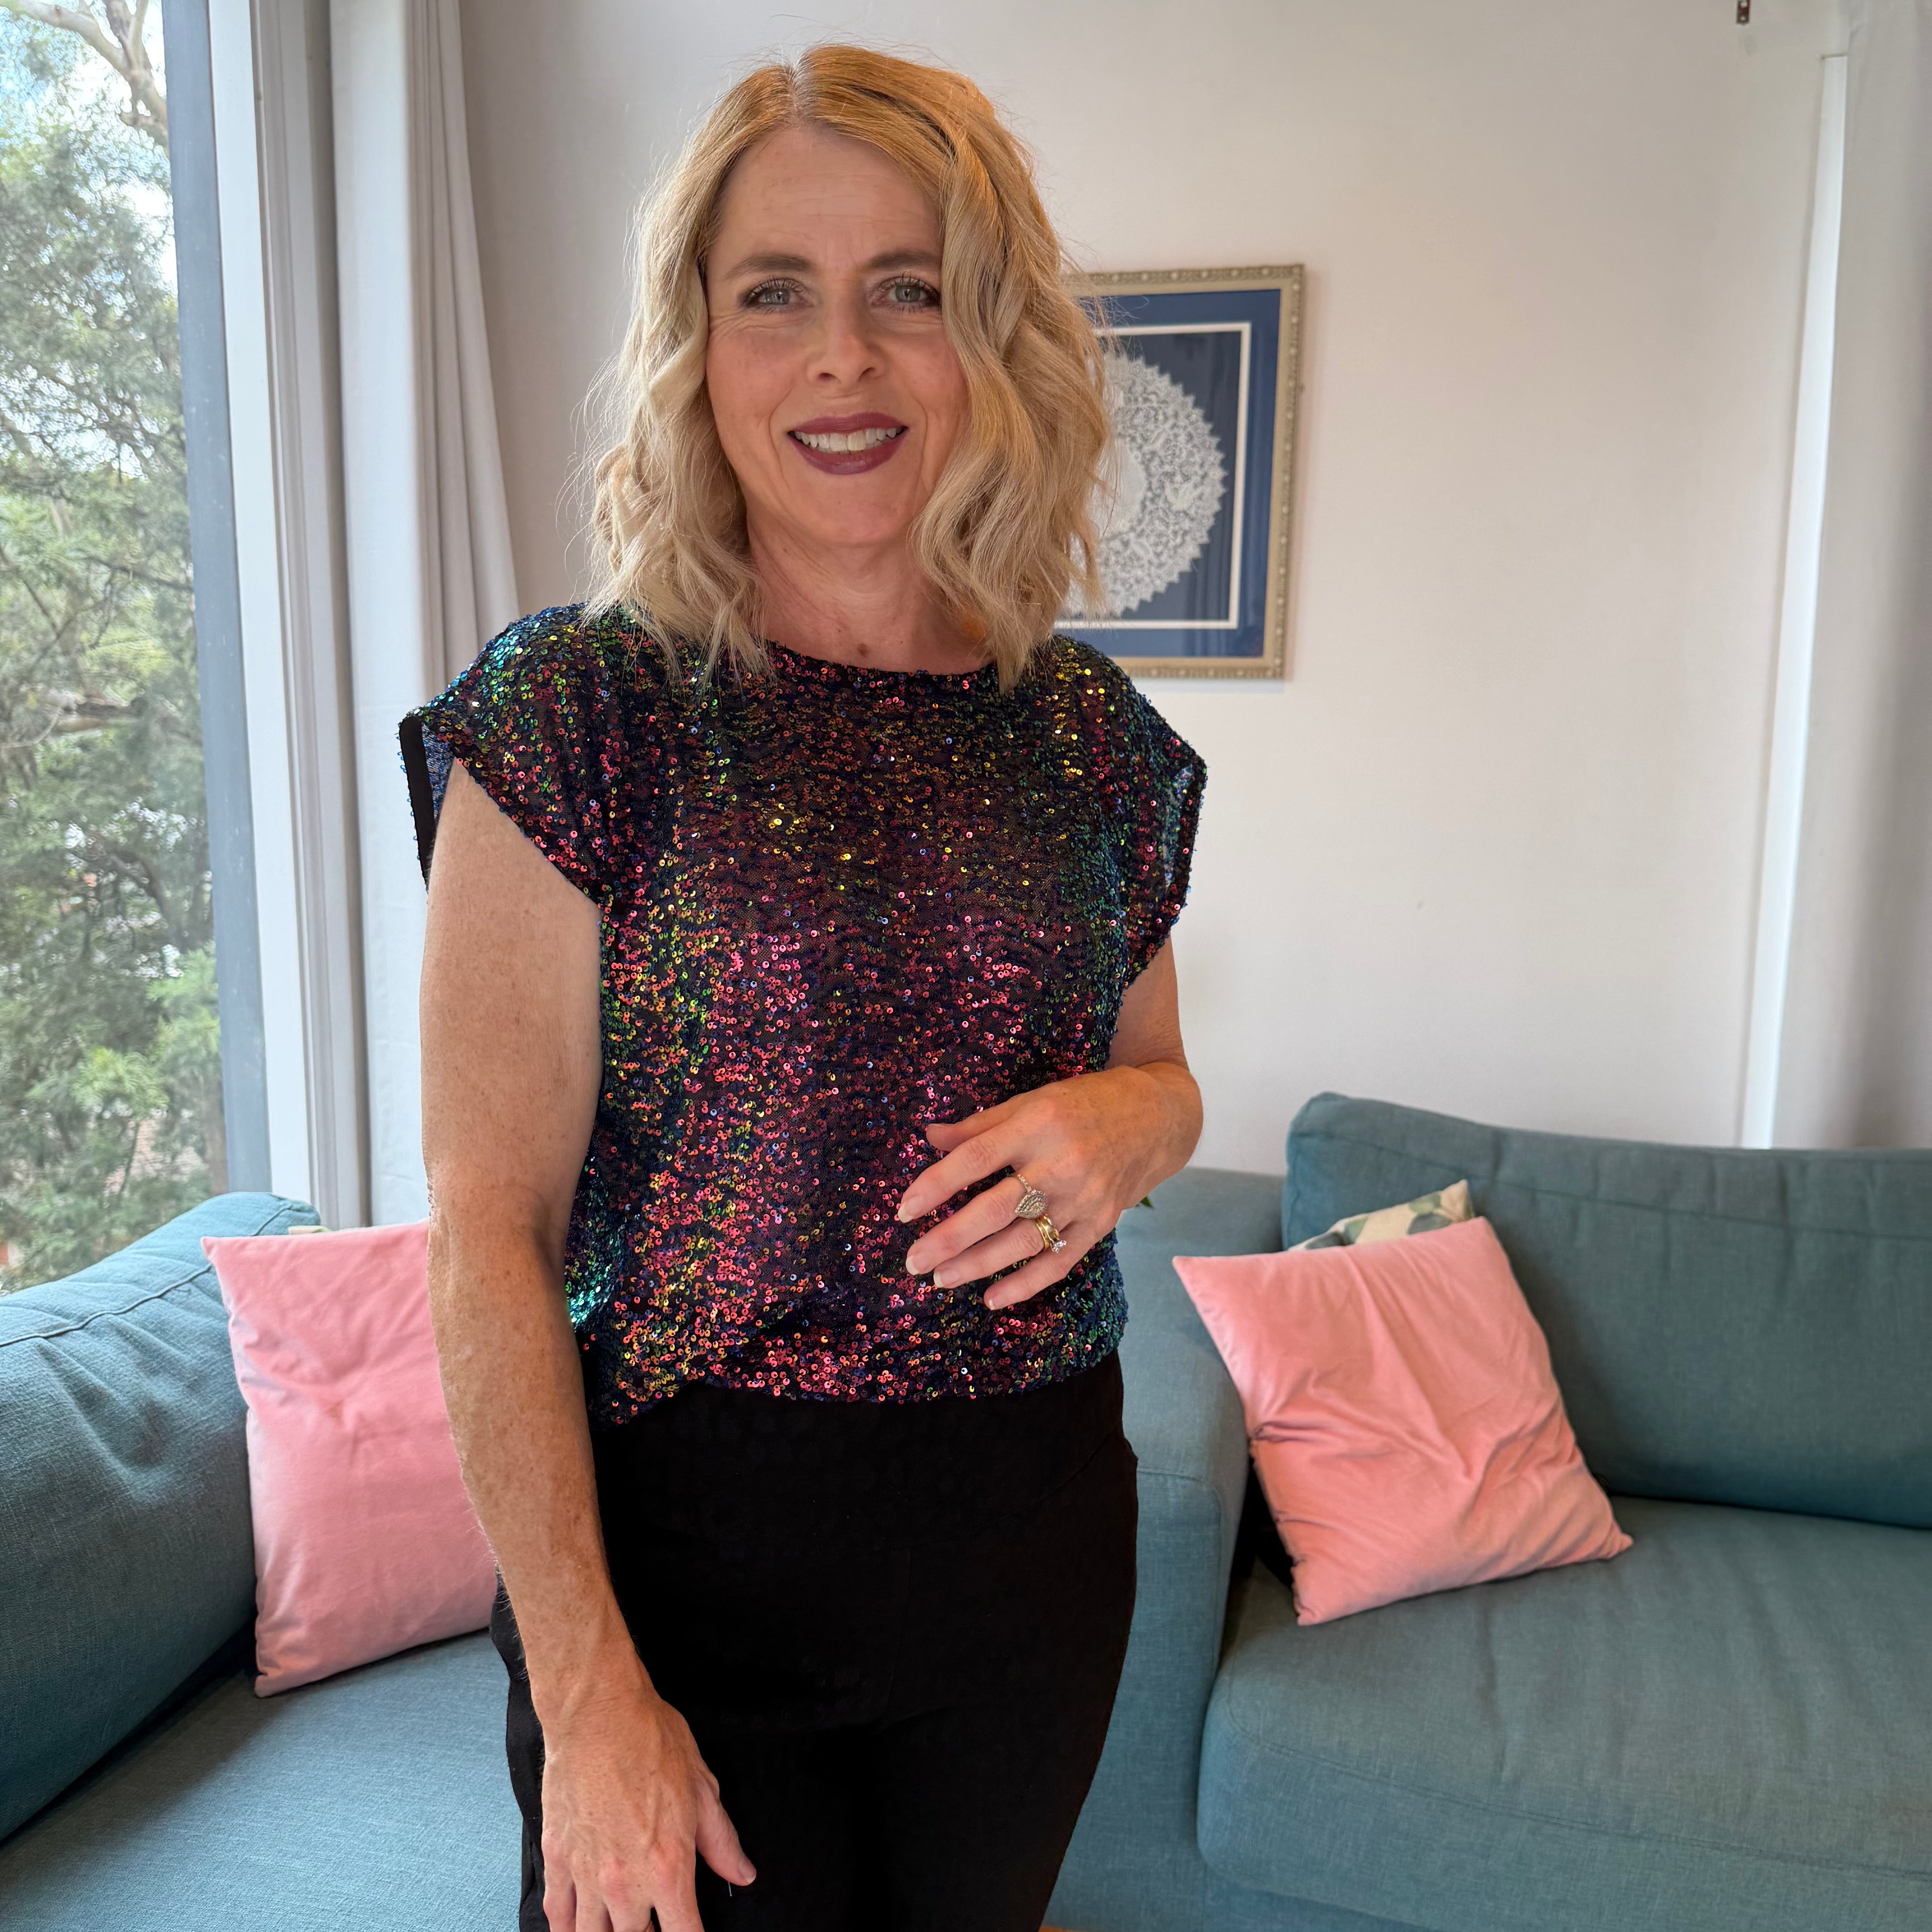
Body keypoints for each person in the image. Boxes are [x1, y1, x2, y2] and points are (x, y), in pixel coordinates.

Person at [404, 43, 1206, 1932]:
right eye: (776, 294)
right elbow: (486, 1227)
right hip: (683, 1570)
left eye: (907, 291)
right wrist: (585, 1688)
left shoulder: (1092, 740)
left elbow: (1164, 1072)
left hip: (1031, 1554)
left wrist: (1138, 1118)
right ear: (700, 348)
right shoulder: (578, 710)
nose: (843, 356)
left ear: (989, 345)